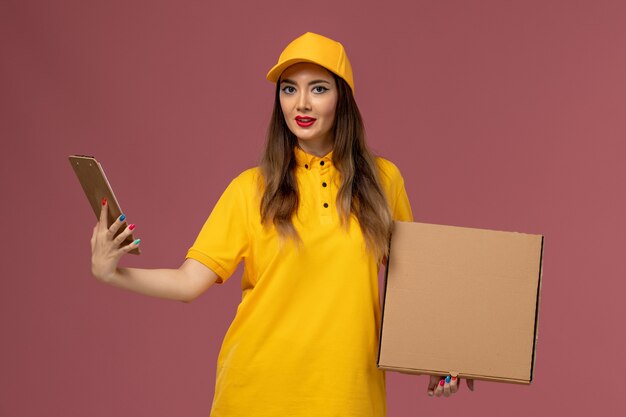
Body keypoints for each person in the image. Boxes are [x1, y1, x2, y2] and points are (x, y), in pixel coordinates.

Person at [90, 32, 472, 417]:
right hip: (255, 398)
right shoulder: (251, 189)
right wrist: (112, 274)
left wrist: (439, 357)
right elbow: (189, 283)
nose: (301, 103)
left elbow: (415, 287)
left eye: (318, 89)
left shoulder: (384, 182)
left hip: (350, 400)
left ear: (343, 98)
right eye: (289, 90)